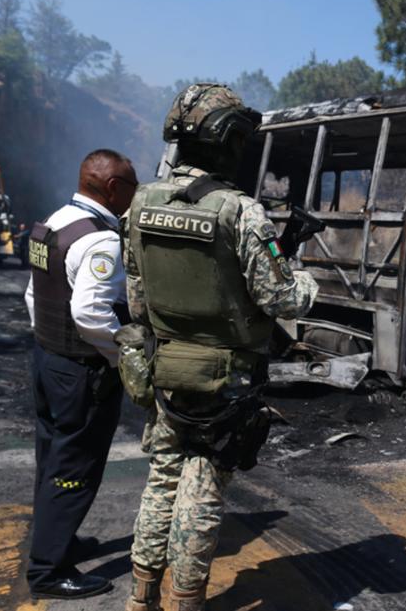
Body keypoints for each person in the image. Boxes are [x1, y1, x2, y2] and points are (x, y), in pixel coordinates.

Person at [123, 83, 318, 611]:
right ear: (227, 141)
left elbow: (137, 301)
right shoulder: (241, 211)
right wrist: (304, 278)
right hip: (226, 378)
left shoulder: (141, 201)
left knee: (162, 478)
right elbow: (283, 300)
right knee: (203, 485)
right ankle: (187, 601)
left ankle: (140, 597)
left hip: (165, 369)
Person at [23, 148, 138, 599]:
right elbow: (91, 313)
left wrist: (50, 343)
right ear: (112, 189)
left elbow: (35, 295)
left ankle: (56, 540)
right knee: (74, 469)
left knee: (52, 458)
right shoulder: (101, 240)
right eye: (131, 185)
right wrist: (120, 355)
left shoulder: (52, 222)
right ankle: (48, 571)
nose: (134, 194)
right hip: (81, 371)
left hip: (48, 360)